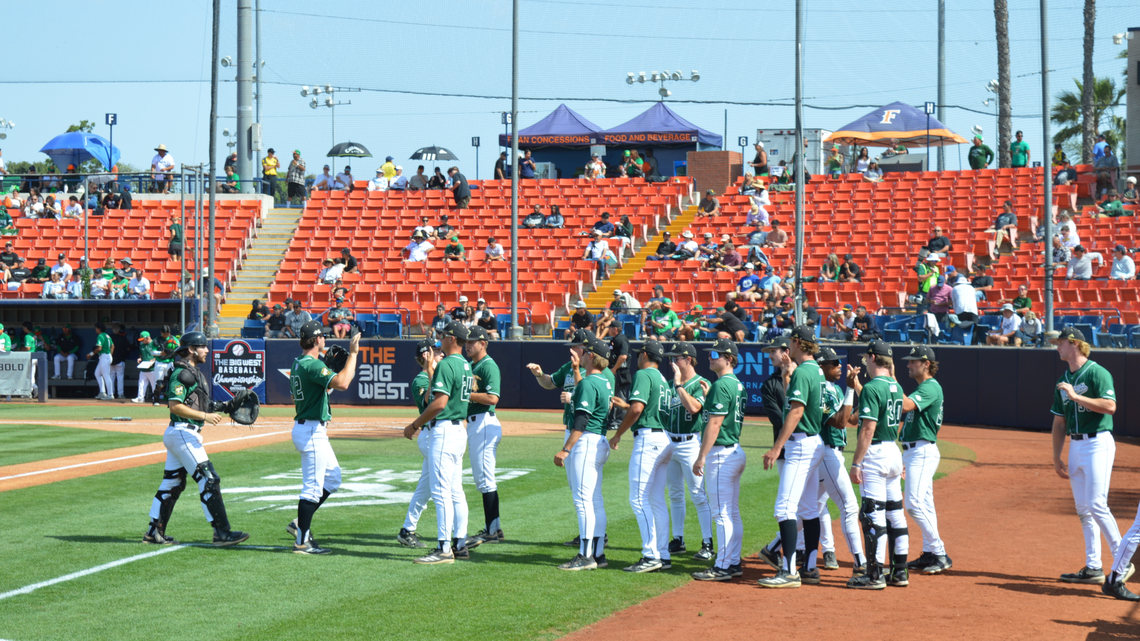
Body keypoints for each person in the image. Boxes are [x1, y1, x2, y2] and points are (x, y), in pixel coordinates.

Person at [140, 331, 250, 547]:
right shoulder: (181, 373)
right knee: (209, 479)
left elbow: (199, 404)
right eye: (203, 346)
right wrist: (205, 417)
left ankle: (154, 532)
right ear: (191, 349)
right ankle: (222, 533)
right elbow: (175, 405)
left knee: (173, 483)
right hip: (183, 432)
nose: (207, 350)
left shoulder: (192, 372)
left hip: (181, 432)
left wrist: (226, 406)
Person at [1049, 327, 1135, 589]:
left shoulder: (1098, 372)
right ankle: (1093, 567)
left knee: (1097, 505)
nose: (1057, 346)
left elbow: (1110, 407)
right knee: (1084, 510)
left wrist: (1076, 396)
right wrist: (1056, 457)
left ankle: (1125, 559)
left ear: (1074, 344)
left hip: (1098, 442)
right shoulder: (1063, 379)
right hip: (1076, 447)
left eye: (1060, 342)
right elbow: (1059, 421)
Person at [286, 321, 361, 555]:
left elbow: (299, 396)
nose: (325, 340)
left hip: (310, 428)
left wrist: (324, 378)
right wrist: (354, 354)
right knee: (311, 490)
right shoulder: (312, 365)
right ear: (317, 340)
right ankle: (302, 540)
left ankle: (299, 523)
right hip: (311, 431)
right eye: (322, 337)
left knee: (333, 479)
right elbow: (344, 383)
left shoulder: (299, 363)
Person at [403, 321, 473, 564]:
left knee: (441, 492)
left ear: (453, 339)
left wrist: (414, 425)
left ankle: (444, 548)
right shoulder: (465, 364)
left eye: (444, 336)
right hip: (458, 430)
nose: (440, 340)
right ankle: (460, 543)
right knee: (455, 490)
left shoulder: (446, 364)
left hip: (444, 430)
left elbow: (439, 403)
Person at [845, 341, 908, 589]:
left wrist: (856, 462)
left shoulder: (873, 387)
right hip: (893, 450)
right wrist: (858, 386)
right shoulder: (895, 384)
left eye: (866, 359)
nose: (865, 363)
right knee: (895, 513)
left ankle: (874, 576)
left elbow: (868, 429)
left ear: (873, 358)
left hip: (876, 454)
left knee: (872, 515)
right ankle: (900, 572)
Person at [609, 341, 674, 573]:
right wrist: (627, 406)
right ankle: (663, 555)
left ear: (645, 354)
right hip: (664, 439)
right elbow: (641, 407)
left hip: (649, 440)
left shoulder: (644, 374)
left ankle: (650, 555)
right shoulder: (662, 379)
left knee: (638, 499)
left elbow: (638, 410)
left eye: (640, 354)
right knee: (656, 500)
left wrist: (617, 435)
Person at [552, 336, 613, 570]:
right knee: (595, 499)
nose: (583, 354)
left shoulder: (589, 382)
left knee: (583, 500)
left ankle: (585, 555)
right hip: (599, 441)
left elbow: (581, 420)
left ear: (591, 356)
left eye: (586, 352)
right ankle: (598, 554)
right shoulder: (603, 381)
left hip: (586, 441)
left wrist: (566, 448)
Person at [893, 345, 953, 575]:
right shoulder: (924, 387)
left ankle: (939, 552)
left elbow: (906, 405)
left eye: (913, 361)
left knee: (914, 504)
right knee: (925, 504)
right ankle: (930, 552)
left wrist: (892, 380)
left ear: (926, 364)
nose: (908, 364)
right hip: (914, 451)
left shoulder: (930, 387)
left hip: (922, 450)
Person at [689, 339, 746, 582]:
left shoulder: (722, 384)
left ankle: (723, 566)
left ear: (729, 359)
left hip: (722, 454)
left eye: (716, 354)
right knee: (731, 511)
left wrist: (701, 456)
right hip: (734, 451)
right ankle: (732, 562)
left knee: (721, 513)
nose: (710, 357)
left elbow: (715, 423)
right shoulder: (734, 384)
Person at [663, 342, 715, 562]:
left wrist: (678, 386)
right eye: (672, 357)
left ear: (688, 359)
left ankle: (707, 543)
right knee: (675, 494)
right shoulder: (668, 383)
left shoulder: (701, 382)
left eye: (676, 357)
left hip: (690, 443)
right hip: (668, 442)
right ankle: (678, 539)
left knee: (697, 495)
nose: (673, 361)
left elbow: (694, 408)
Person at [461, 326, 506, 548]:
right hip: (475, 423)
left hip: (485, 423)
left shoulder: (489, 365)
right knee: (483, 478)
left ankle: (491, 529)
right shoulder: (470, 365)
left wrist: (466, 395)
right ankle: (494, 528)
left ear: (483, 343)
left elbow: (492, 397)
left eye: (472, 341)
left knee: (485, 478)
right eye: (466, 341)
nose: (467, 345)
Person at [398, 339, 443, 549]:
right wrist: (430, 369)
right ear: (426, 355)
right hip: (430, 435)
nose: (441, 354)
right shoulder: (420, 380)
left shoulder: (440, 374)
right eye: (437, 351)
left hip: (438, 436)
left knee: (425, 489)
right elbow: (429, 402)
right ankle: (450, 537)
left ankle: (407, 530)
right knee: (443, 487)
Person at [132, 331, 161, 404]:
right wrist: (140, 359)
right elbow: (141, 355)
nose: (142, 341)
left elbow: (160, 354)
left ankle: (155, 399)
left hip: (152, 368)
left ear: (147, 338)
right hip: (143, 368)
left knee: (154, 384)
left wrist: (154, 359)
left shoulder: (154, 343)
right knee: (141, 384)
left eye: (143, 339)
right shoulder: (142, 345)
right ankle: (140, 398)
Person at [87, 323, 115, 400]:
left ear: (99, 328)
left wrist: (91, 354)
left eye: (96, 328)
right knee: (97, 373)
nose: (95, 329)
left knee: (106, 375)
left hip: (104, 356)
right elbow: (112, 346)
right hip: (106, 356)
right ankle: (102, 392)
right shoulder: (107, 335)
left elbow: (99, 348)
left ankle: (110, 394)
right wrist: (110, 355)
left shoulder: (100, 336)